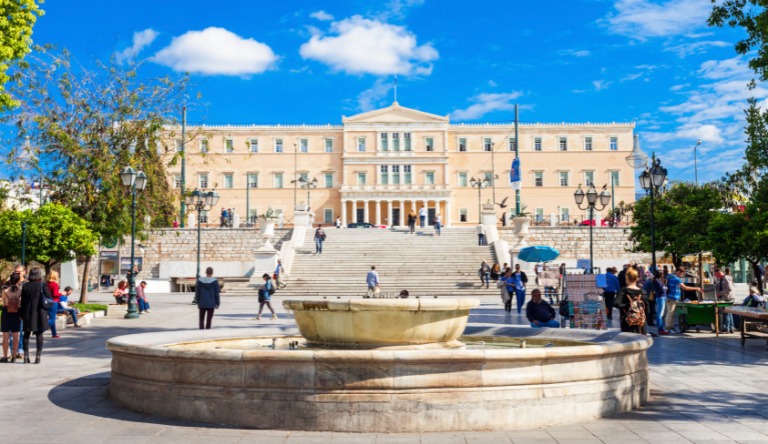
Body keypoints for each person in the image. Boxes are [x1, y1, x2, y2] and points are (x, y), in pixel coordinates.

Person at [20, 267, 50, 364]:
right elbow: (49, 297)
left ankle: (26, 357)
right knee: (39, 334)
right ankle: (38, 357)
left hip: (28, 312)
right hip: (40, 312)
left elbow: (23, 300)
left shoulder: (25, 286)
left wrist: (21, 313)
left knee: (26, 334)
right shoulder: (42, 285)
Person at [665, 266, 704, 334]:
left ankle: (671, 328)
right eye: (681, 274)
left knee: (670, 313)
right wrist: (696, 288)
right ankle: (669, 328)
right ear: (678, 272)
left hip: (670, 297)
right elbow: (685, 288)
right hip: (672, 297)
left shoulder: (670, 276)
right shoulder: (676, 279)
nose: (681, 276)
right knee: (670, 313)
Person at [615, 268, 646, 334]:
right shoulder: (643, 292)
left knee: (628, 339)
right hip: (640, 323)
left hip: (627, 322)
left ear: (627, 278)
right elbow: (647, 308)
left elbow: (616, 303)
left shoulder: (623, 291)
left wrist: (628, 306)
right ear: (637, 278)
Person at [1, 271, 22, 362]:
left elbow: (3, 302)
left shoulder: (5, 291)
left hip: (6, 312)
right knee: (15, 335)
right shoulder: (20, 291)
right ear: (18, 280)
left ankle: (5, 356)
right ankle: (14, 355)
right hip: (16, 313)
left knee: (5, 335)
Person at [715, 267, 735, 334]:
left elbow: (729, 288)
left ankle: (726, 328)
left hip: (728, 298)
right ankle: (731, 328)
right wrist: (705, 290)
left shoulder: (725, 278)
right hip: (726, 298)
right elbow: (716, 287)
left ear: (719, 272)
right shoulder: (721, 279)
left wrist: (720, 293)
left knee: (726, 313)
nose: (715, 275)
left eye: (715, 274)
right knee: (729, 313)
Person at [652, 270, 668, 335]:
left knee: (660, 314)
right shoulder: (657, 281)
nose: (663, 275)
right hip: (661, 297)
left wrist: (664, 285)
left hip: (661, 297)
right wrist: (665, 286)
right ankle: (660, 329)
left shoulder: (657, 280)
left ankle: (660, 328)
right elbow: (662, 289)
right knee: (660, 314)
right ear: (660, 274)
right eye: (662, 274)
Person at [47, 270, 62, 339]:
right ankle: (40, 329)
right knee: (52, 319)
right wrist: (61, 293)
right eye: (57, 275)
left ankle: (54, 333)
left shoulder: (47, 283)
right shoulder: (54, 284)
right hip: (54, 302)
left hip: (48, 301)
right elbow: (55, 294)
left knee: (51, 318)